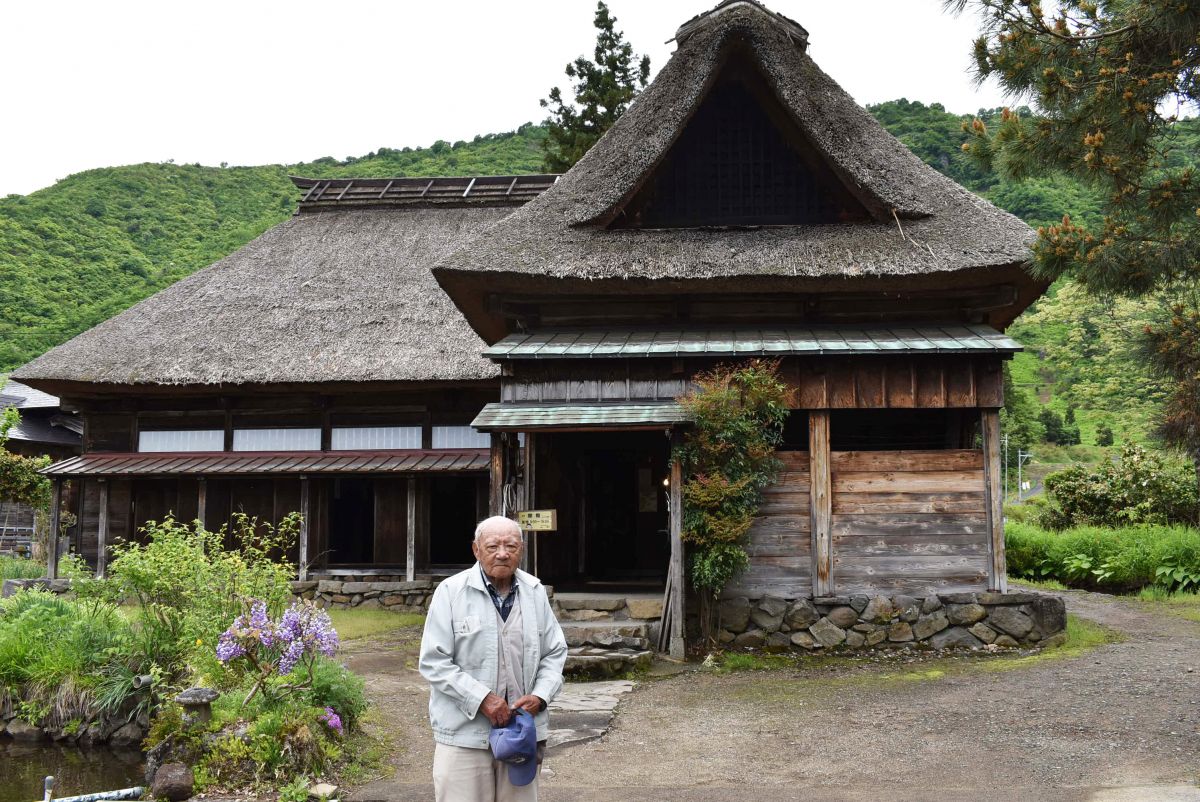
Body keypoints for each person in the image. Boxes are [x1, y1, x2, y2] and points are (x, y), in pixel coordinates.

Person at [419, 515, 567, 802]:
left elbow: (555, 652)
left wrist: (541, 695)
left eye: (511, 546)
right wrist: (482, 699)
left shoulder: (535, 592)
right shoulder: (451, 592)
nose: (502, 553)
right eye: (493, 546)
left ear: (521, 550)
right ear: (476, 550)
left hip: (520, 733)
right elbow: (433, 661)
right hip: (463, 736)